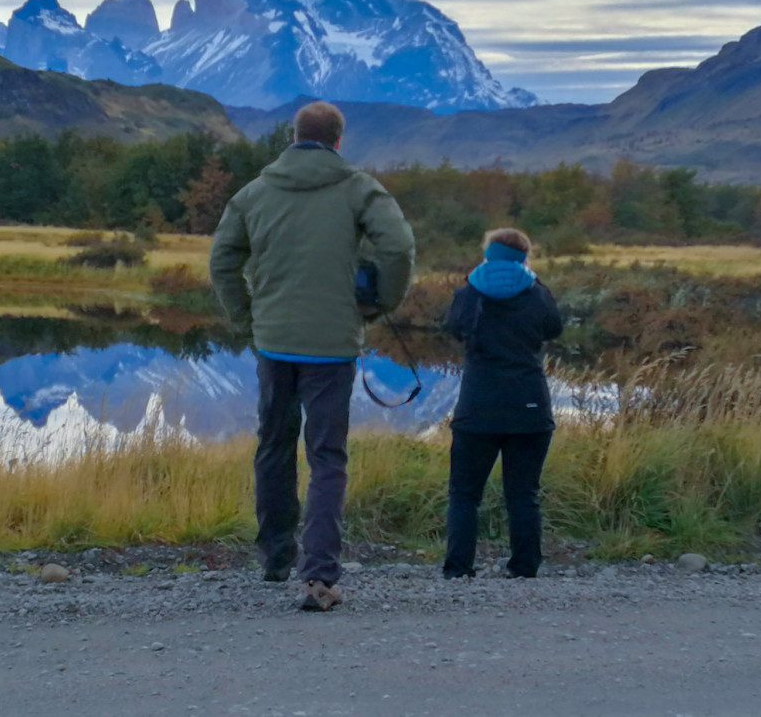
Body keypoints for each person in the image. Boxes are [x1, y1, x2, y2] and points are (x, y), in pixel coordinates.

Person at [209, 101, 415, 610]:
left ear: (291, 135)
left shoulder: (256, 191)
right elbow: (399, 247)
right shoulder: (359, 188)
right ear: (339, 141)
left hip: (274, 342)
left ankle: (276, 557)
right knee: (327, 457)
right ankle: (319, 577)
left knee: (274, 447)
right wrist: (379, 303)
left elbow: (222, 260)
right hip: (331, 347)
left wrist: (246, 319)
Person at [441, 227, 563, 579]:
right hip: (529, 406)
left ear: (488, 256)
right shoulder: (538, 294)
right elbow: (553, 329)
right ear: (525, 257)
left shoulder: (468, 294)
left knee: (464, 495)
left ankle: (458, 568)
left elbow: (453, 326)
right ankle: (524, 567)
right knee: (523, 494)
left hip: (477, 407)